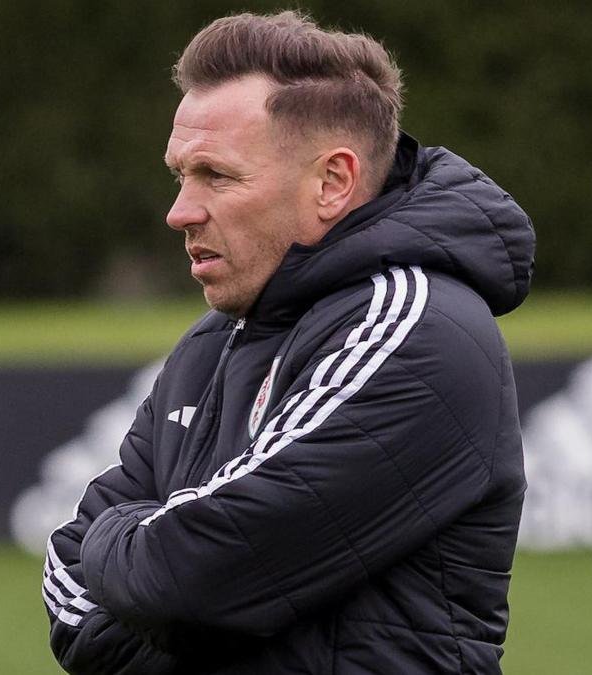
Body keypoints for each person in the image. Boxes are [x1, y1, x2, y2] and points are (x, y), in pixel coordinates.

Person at [42, 10, 535, 674]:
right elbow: (70, 598)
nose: (179, 211)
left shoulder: (415, 330)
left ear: (332, 182)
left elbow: (186, 580)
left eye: (217, 176)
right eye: (180, 175)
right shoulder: (210, 344)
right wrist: (163, 572)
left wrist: (124, 543)